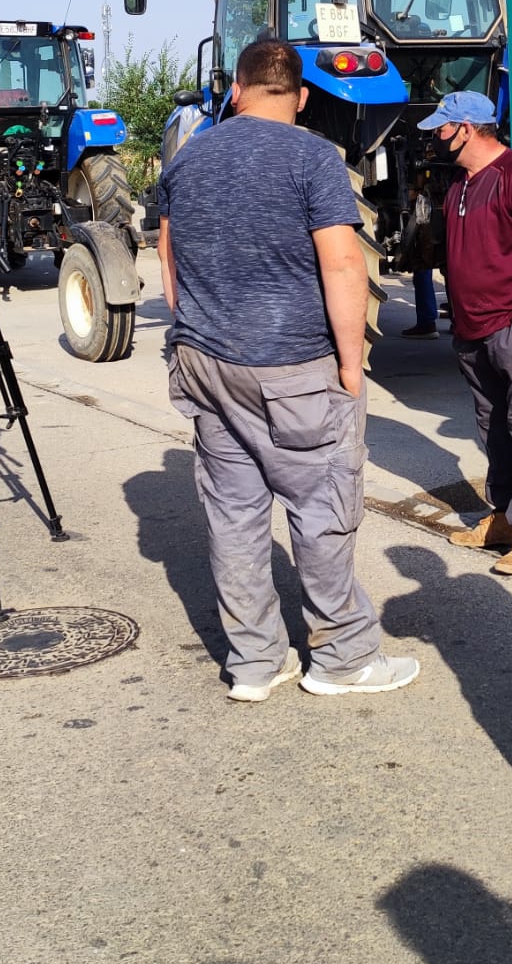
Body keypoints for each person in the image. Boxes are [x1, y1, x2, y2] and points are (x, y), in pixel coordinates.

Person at [157, 39, 418, 700]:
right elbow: (341, 262)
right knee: (322, 507)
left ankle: (255, 661)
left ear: (237, 90)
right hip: (292, 366)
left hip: (205, 363)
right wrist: (352, 365)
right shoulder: (312, 156)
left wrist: (202, 328)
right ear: (302, 97)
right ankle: (343, 658)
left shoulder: (188, 157)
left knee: (235, 515)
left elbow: (168, 261)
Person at [432, 90, 512, 578]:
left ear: (466, 128)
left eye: (442, 128)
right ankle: (505, 516)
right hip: (473, 328)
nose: (436, 136)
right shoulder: (460, 184)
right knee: (492, 426)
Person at [398, 166, 442, 339]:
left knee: (422, 266)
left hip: (424, 220)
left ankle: (427, 322)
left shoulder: (421, 195)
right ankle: (456, 319)